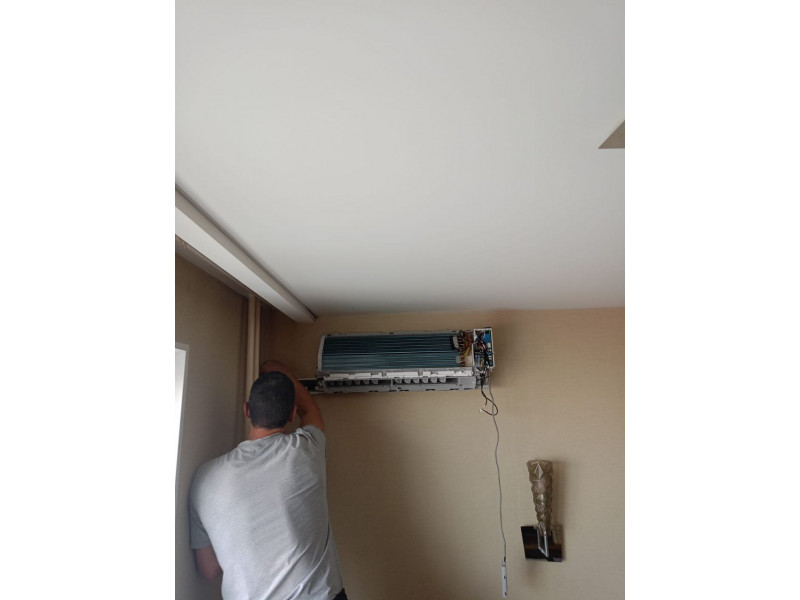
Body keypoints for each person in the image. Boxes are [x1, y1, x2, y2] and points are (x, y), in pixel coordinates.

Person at [188, 360, 347, 600]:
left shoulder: (204, 477)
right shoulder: (306, 449)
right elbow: (311, 411)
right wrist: (275, 368)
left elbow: (209, 569)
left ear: (247, 410)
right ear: (292, 413)